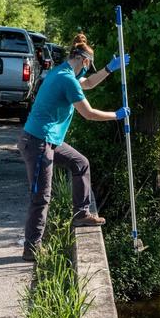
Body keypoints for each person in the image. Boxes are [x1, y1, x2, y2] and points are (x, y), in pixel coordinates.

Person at [18, 33, 130, 261]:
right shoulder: (66, 79)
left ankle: (81, 214)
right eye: (88, 66)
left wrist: (109, 69)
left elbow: (88, 83)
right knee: (41, 197)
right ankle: (31, 249)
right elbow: (88, 113)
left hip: (48, 141)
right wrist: (116, 115)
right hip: (38, 142)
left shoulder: (63, 72)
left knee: (80, 163)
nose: (87, 71)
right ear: (84, 60)